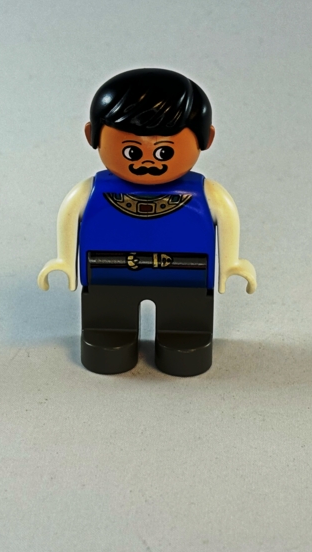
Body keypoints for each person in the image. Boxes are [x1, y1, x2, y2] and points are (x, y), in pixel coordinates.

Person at [38, 68, 256, 376]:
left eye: (164, 151)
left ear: (206, 139)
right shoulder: (91, 191)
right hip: (107, 277)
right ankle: (111, 332)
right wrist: (64, 260)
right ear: (91, 136)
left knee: (184, 329)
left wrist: (231, 263)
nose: (148, 162)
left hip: (187, 279)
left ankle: (181, 335)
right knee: (108, 326)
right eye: (132, 150)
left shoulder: (207, 194)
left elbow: (227, 217)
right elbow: (69, 215)